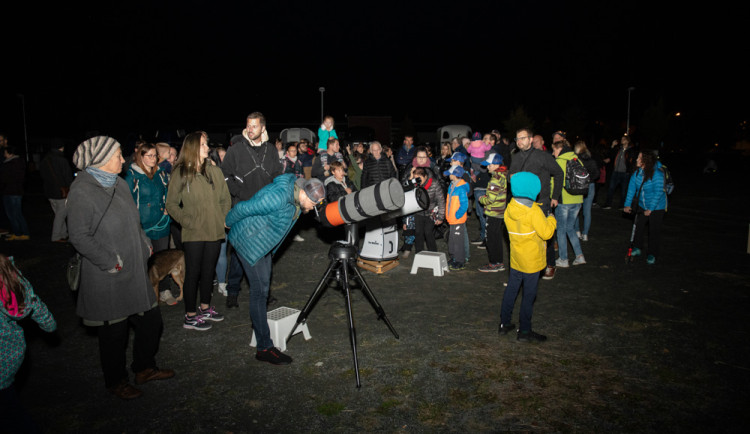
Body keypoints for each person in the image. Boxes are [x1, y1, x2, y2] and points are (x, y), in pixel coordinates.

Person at [67, 136, 174, 400]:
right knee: (114, 333)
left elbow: (134, 221)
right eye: (117, 155)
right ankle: (115, 381)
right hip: (109, 275)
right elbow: (79, 236)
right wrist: (109, 261)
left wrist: (145, 243)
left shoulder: (119, 184)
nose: (123, 159)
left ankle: (144, 368)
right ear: (101, 160)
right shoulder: (82, 190)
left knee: (152, 321)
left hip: (136, 272)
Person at [225, 175, 326, 365]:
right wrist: (227, 222)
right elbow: (242, 208)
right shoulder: (278, 196)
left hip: (263, 245)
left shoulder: (296, 197)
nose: (313, 207)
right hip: (249, 242)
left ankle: (264, 342)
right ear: (303, 192)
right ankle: (264, 348)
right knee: (259, 291)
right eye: (313, 203)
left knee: (263, 288)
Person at [166, 132, 231, 330]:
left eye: (206, 144)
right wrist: (187, 221)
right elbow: (171, 204)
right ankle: (190, 315)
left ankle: (204, 308)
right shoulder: (181, 173)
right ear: (193, 148)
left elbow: (225, 199)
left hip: (214, 230)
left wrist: (222, 219)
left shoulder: (215, 172)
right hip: (193, 233)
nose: (207, 148)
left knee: (208, 272)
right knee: (193, 273)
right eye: (203, 144)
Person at [221, 112, 283, 309]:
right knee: (241, 255)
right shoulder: (236, 150)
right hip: (244, 210)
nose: (250, 129)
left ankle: (265, 293)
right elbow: (225, 175)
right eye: (248, 125)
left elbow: (275, 175)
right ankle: (233, 291)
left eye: (254, 126)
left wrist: (274, 196)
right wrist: (237, 191)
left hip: (265, 212)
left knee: (265, 252)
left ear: (263, 128)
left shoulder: (271, 150)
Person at [0, 255, 57, 432]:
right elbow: (34, 303)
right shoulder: (8, 275)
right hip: (9, 357)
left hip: (4, 361)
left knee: (11, 415)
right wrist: (49, 324)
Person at [498, 171, 557, 342]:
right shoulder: (534, 212)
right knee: (529, 295)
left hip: (516, 257)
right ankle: (524, 331)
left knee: (512, 289)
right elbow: (546, 233)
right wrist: (552, 219)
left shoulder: (510, 207)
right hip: (531, 260)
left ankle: (504, 323)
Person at [508, 128, 563, 280]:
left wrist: (555, 196)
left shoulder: (542, 156)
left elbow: (559, 173)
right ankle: (526, 266)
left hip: (541, 202)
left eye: (523, 138)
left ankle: (550, 264)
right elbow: (509, 177)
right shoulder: (516, 157)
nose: (519, 142)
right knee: (525, 237)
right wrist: (510, 177)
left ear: (530, 139)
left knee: (544, 235)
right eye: (517, 139)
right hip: (521, 203)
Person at [125, 143, 175, 305]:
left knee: (162, 258)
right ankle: (144, 291)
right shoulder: (133, 176)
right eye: (149, 156)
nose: (153, 159)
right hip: (142, 226)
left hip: (161, 224)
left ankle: (164, 290)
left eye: (155, 156)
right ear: (141, 157)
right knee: (144, 260)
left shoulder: (160, 174)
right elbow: (127, 201)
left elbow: (167, 191)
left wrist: (169, 206)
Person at [624, 150, 667, 265]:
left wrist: (651, 209)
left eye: (639, 158)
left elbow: (658, 192)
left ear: (646, 161)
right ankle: (637, 247)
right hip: (642, 205)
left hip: (657, 207)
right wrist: (627, 204)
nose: (637, 160)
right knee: (638, 226)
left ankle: (652, 253)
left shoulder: (657, 174)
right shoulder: (637, 173)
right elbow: (631, 189)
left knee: (654, 230)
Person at [551, 139, 586, 267]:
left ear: (559, 149)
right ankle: (579, 256)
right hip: (578, 199)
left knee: (560, 229)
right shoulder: (577, 159)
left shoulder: (559, 161)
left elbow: (555, 182)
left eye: (554, 150)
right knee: (570, 228)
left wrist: (551, 196)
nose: (553, 153)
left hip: (563, 200)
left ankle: (563, 259)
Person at [477, 153, 508, 272]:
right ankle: (498, 262)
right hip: (499, 212)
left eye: (489, 165)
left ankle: (494, 263)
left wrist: (481, 199)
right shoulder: (502, 176)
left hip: (493, 212)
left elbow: (490, 199)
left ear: (495, 165)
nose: (487, 167)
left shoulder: (496, 179)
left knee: (491, 239)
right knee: (496, 238)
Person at [39, 139, 74, 242]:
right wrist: (70, 188)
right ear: (61, 148)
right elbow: (68, 177)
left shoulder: (45, 159)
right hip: (61, 192)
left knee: (59, 214)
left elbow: (42, 175)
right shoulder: (62, 160)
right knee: (60, 215)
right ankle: (56, 236)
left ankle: (63, 234)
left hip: (49, 191)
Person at [410, 166, 444, 254]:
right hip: (418, 212)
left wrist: (440, 217)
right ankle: (419, 254)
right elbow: (406, 189)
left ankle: (433, 254)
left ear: (425, 176)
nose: (417, 180)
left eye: (419, 178)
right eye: (415, 178)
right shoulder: (415, 183)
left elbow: (440, 200)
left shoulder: (434, 183)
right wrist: (411, 176)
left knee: (428, 232)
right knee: (418, 233)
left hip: (431, 212)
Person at [0, 146, 30, 241]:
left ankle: (22, 233)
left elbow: (7, 178)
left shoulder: (12, 163)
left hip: (12, 191)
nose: (4, 155)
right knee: (15, 214)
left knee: (14, 214)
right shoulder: (17, 162)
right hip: (14, 191)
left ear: (10, 153)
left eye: (5, 153)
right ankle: (19, 233)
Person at [444, 165, 470, 270]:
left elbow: (464, 205)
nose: (448, 175)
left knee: (458, 241)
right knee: (452, 240)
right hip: (452, 219)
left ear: (455, 175)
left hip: (457, 220)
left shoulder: (461, 188)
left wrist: (457, 215)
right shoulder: (452, 186)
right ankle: (454, 257)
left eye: (450, 174)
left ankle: (460, 261)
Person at [573, 140, 600, 241]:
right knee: (587, 211)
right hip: (590, 185)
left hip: (579, 186)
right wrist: (589, 179)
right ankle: (585, 234)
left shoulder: (576, 160)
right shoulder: (591, 160)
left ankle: (577, 231)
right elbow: (597, 174)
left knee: (576, 209)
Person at [603, 135, 636, 209]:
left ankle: (622, 206)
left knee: (624, 191)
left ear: (627, 141)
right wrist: (612, 146)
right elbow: (610, 155)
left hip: (625, 173)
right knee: (611, 188)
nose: (621, 140)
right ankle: (608, 204)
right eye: (621, 139)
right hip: (615, 172)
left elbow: (632, 162)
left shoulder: (630, 151)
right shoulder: (618, 149)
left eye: (623, 139)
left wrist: (629, 171)